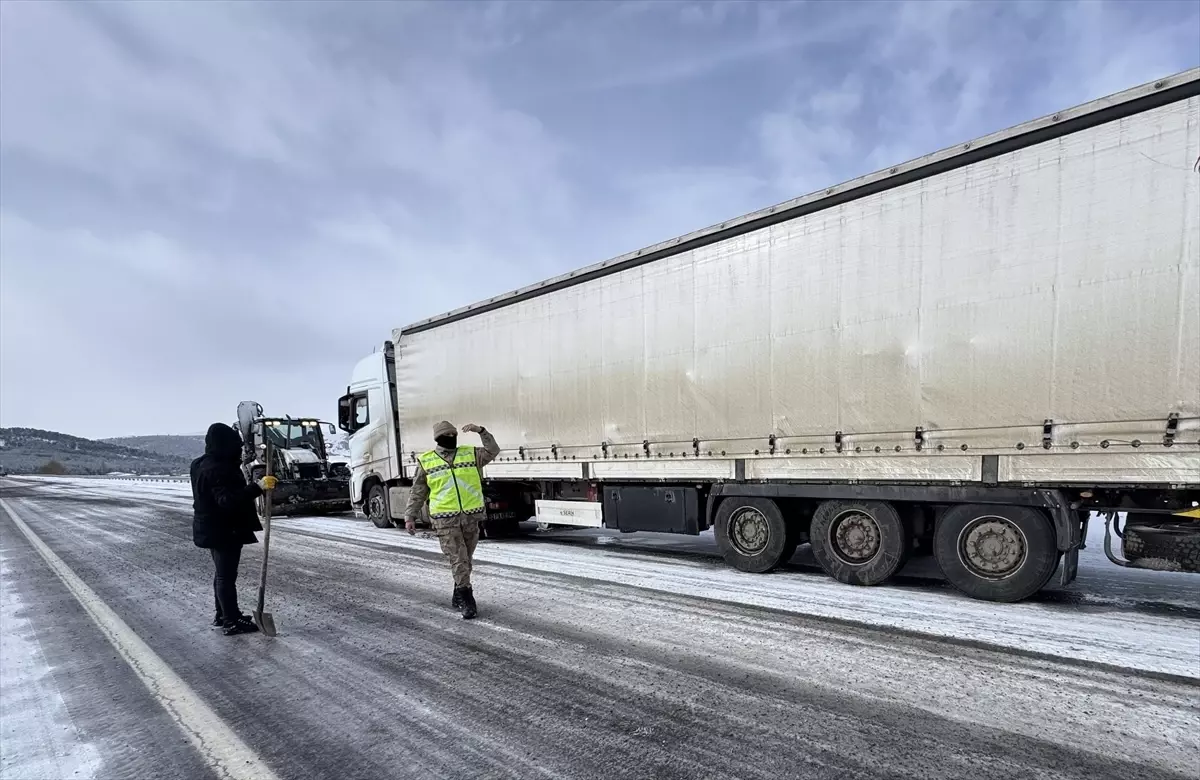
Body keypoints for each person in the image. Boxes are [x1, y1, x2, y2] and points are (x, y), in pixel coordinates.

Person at [404, 421, 500, 619]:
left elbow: (493, 450)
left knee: (467, 560)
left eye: (453, 434)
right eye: (446, 435)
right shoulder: (427, 461)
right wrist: (410, 515)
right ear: (438, 438)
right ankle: (467, 599)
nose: (451, 438)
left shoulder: (470, 454)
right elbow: (418, 491)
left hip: (471, 517)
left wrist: (481, 431)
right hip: (445, 520)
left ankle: (458, 591)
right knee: (459, 559)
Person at [191, 422, 277, 636]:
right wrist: (258, 487)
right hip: (224, 529)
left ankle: (223, 614)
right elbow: (227, 500)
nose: (238, 448)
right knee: (226, 576)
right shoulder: (220, 468)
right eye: (234, 444)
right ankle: (231, 621)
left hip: (210, 527)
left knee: (222, 574)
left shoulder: (200, 463)